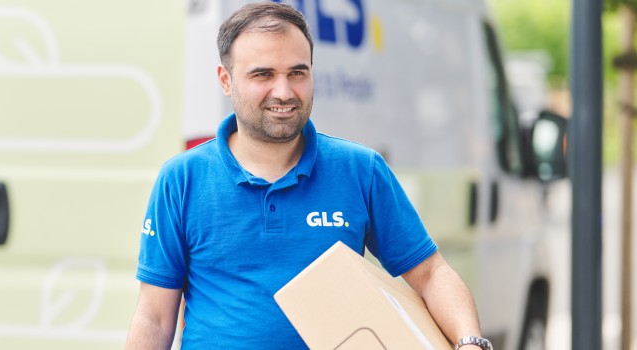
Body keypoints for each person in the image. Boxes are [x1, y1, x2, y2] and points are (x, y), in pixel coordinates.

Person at [125, 2, 490, 349]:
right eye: (262, 74)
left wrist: (470, 341)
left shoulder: (360, 169)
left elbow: (430, 274)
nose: (283, 92)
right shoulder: (182, 179)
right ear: (226, 80)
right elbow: (154, 316)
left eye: (297, 73)